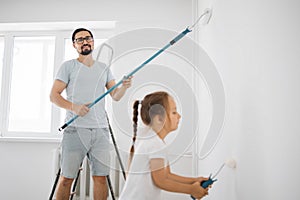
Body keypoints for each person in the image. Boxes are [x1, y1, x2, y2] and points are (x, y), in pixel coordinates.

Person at [50, 28, 132, 200]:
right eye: (79, 40)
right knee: (66, 179)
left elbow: (115, 96)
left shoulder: (104, 68)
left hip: (100, 132)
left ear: (93, 42)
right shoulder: (68, 67)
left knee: (101, 178)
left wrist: (123, 86)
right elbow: (54, 96)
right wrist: (75, 107)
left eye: (87, 38)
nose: (84, 42)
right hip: (74, 130)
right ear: (74, 45)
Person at [118, 91, 209, 200]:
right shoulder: (154, 144)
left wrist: (194, 181)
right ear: (159, 119)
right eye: (174, 112)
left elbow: (167, 175)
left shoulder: (153, 140)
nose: (179, 116)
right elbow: (161, 181)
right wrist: (191, 190)